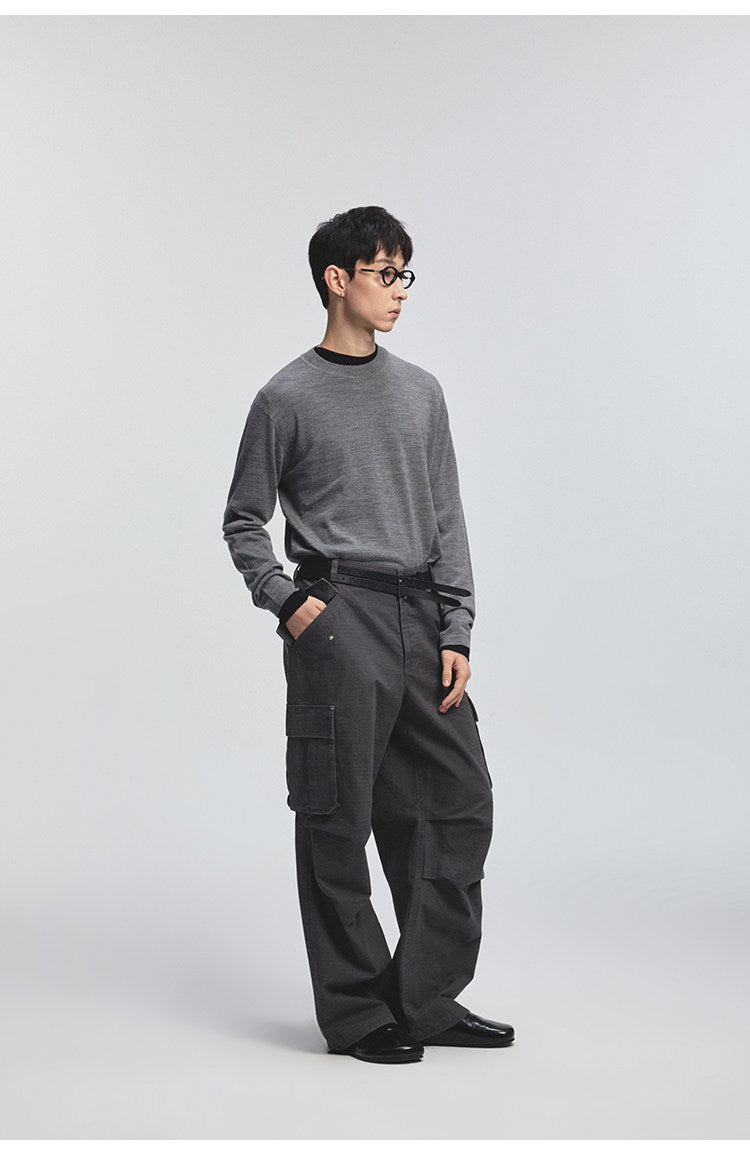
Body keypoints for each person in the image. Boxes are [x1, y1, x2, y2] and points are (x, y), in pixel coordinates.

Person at [222, 206, 514, 1064]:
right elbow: (243, 518)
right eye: (385, 273)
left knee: (457, 802)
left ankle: (424, 999)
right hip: (338, 615)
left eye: (403, 274)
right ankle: (356, 1013)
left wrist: (456, 624)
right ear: (336, 279)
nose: (399, 290)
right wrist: (285, 598)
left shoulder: (422, 391)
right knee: (336, 814)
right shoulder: (285, 397)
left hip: (422, 615)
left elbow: (446, 517)